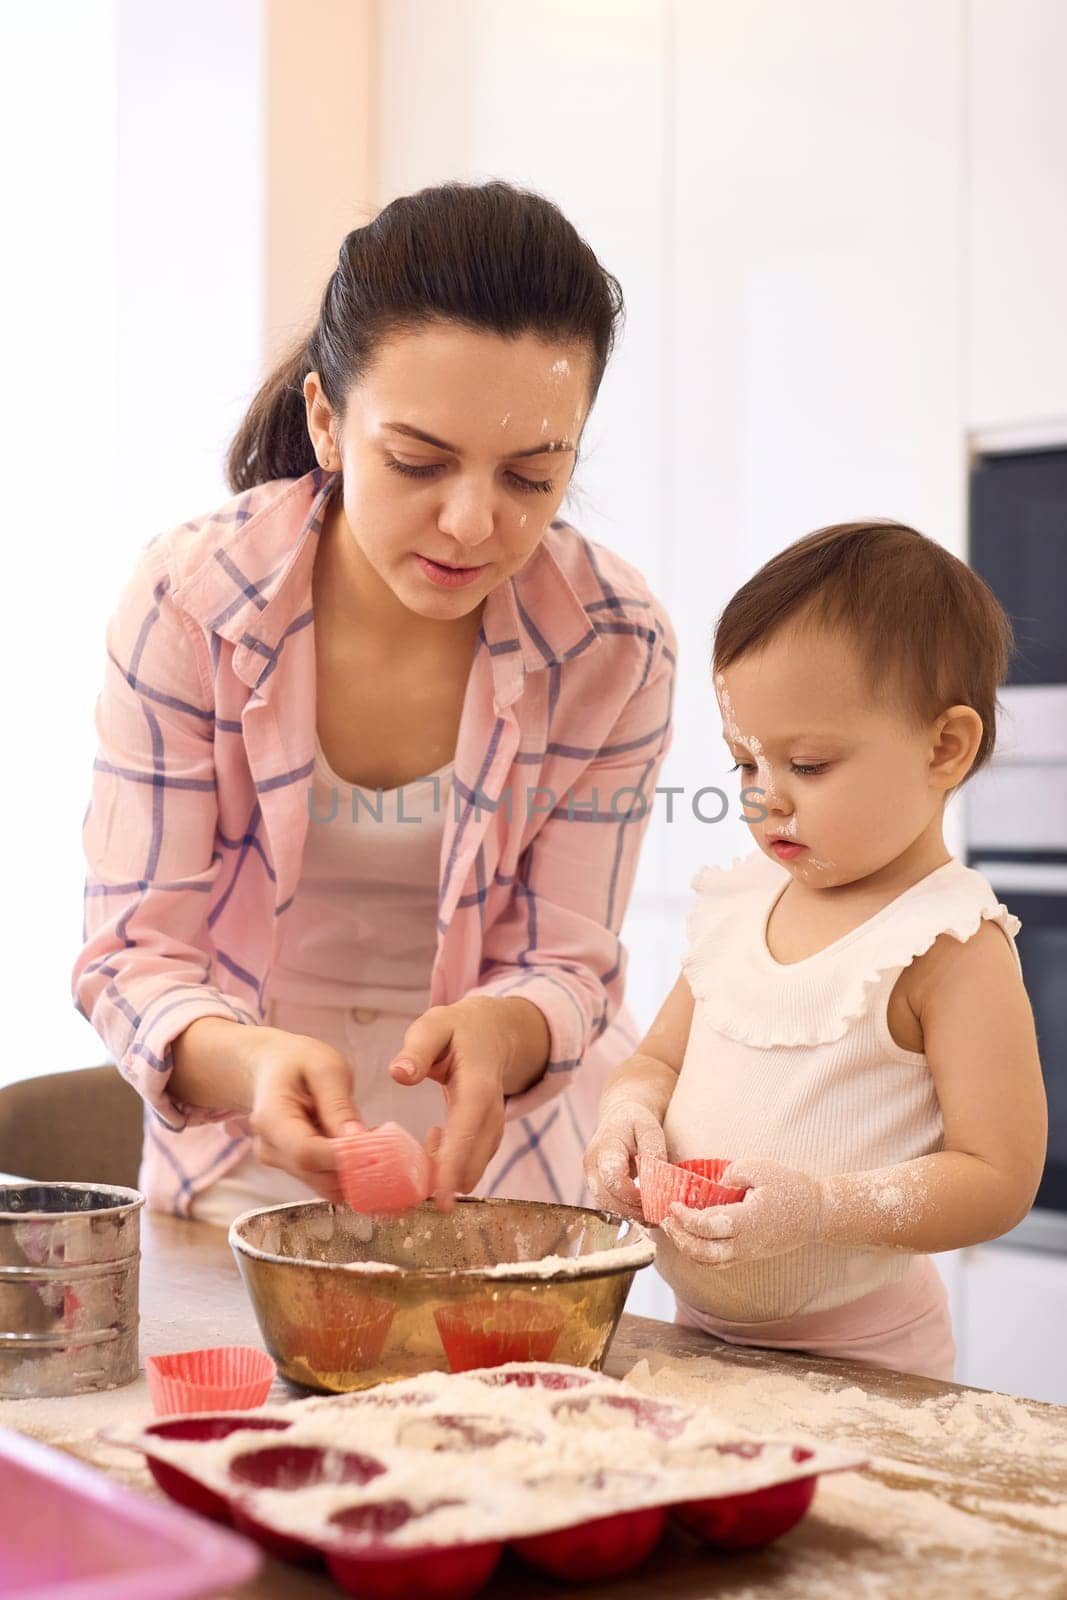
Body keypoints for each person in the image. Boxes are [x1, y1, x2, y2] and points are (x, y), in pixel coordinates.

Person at [73, 180, 675, 1225]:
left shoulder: (611, 642)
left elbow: (566, 958)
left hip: (502, 1173)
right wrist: (250, 1064)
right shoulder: (193, 604)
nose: (471, 523)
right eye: (416, 462)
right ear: (326, 418)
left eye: (532, 477)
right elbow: (134, 950)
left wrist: (507, 1030)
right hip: (239, 1168)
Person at [584, 521, 1046, 1380]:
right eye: (744, 768)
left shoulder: (946, 945)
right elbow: (653, 1060)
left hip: (864, 1359)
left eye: (807, 765)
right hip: (691, 1330)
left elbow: (998, 1176)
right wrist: (626, 1118)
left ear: (943, 748)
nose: (766, 802)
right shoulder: (736, 907)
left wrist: (821, 1210)